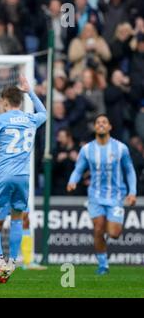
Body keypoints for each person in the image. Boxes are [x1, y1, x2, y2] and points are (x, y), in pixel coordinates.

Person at [0, 75, 46, 283]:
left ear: (4, 102)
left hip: (3, 174)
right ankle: (13, 262)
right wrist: (30, 90)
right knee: (17, 219)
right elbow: (45, 113)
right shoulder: (31, 119)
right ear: (21, 101)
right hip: (24, 177)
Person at [67, 114, 136, 275]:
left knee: (114, 233)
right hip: (95, 196)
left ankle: (109, 224)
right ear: (95, 127)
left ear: (110, 126)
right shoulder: (87, 149)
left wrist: (132, 192)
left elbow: (129, 171)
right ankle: (103, 265)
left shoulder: (121, 148)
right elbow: (78, 169)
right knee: (98, 230)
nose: (101, 125)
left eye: (104, 122)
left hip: (116, 196)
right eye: (98, 123)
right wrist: (72, 181)